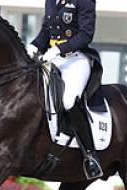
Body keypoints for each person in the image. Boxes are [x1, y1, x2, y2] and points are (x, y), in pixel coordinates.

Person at [27, 0, 103, 179]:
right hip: (52, 58)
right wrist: (35, 45)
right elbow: (47, 30)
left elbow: (86, 34)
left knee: (68, 101)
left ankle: (90, 155)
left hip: (76, 59)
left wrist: (60, 49)